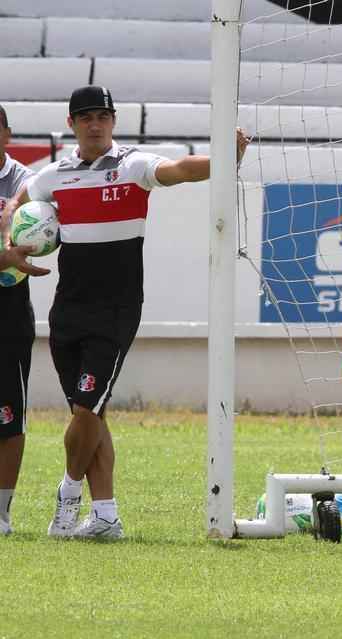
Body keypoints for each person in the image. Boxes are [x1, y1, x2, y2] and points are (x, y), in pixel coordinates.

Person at [3, 86, 248, 540]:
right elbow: (19, 201)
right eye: (86, 117)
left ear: (113, 121)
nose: (95, 124)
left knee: (85, 408)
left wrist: (223, 157)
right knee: (92, 413)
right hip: (66, 310)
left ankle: (68, 497)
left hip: (115, 310)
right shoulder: (54, 176)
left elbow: (178, 170)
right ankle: (107, 518)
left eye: (103, 116)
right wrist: (11, 229)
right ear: (72, 123)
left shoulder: (132, 164)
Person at [0, 104, 43, 536]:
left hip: (8, 307)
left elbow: (38, 234)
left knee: (8, 415)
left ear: (6, 133)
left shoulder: (25, 182)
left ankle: (1, 514)